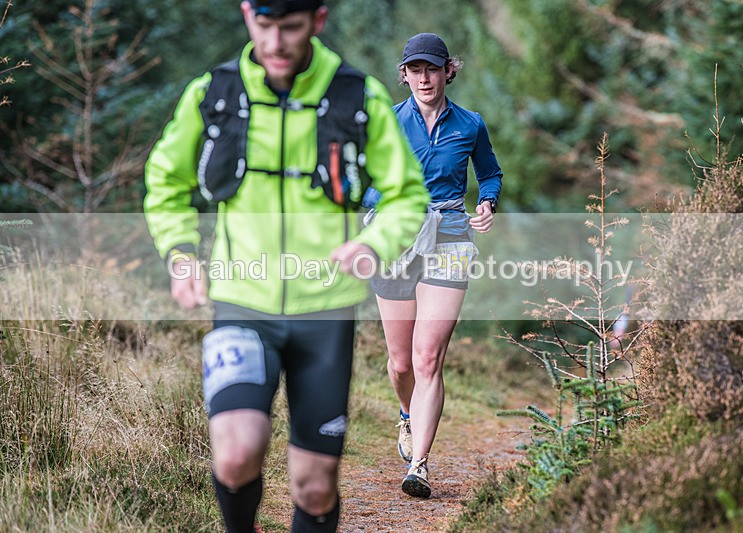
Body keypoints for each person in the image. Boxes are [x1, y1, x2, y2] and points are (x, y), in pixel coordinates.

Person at [144, 1, 429, 531]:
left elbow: (406, 194)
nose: (275, 44)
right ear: (247, 15)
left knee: (314, 487)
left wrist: (375, 244)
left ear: (317, 21)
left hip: (325, 311)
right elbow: (165, 181)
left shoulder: (357, 96)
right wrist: (181, 254)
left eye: (291, 28)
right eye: (264, 26)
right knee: (235, 453)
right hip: (241, 302)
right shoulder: (214, 94)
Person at [368, 32, 502, 499]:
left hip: (450, 234)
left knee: (428, 357)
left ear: (449, 71)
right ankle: (406, 414)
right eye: (415, 70)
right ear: (404, 75)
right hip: (397, 238)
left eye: (432, 69)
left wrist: (487, 202)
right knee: (401, 362)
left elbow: (490, 172)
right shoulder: (386, 122)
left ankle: (419, 465)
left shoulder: (470, 124)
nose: (424, 78)